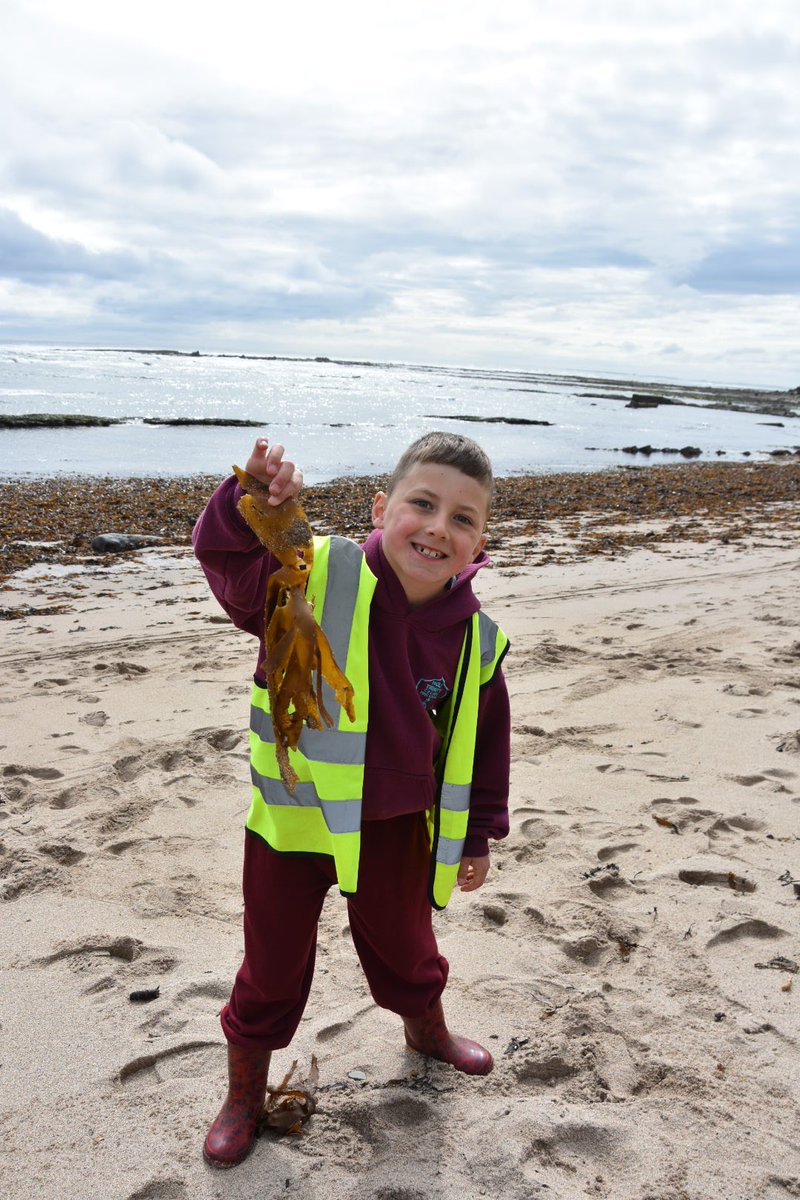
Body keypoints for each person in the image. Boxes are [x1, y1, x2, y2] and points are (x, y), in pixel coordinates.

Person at [192, 430, 511, 1169]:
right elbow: (233, 572)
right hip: (293, 819)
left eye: (462, 518)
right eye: (422, 504)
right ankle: (244, 1092)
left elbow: (483, 744)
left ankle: (427, 1032)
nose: (438, 527)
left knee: (408, 949)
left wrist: (477, 836)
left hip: (396, 827)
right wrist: (248, 502)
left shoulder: (476, 639)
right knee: (271, 964)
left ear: (479, 540)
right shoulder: (313, 575)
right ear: (380, 508)